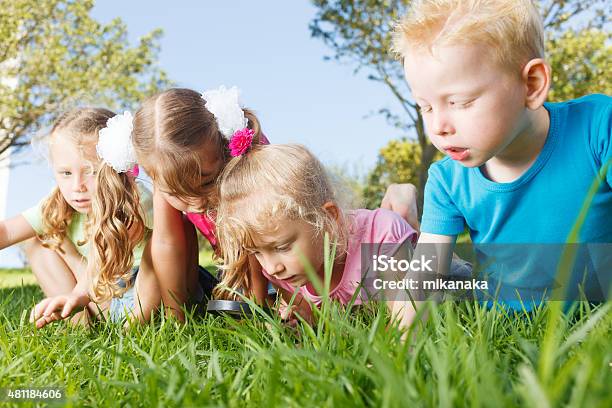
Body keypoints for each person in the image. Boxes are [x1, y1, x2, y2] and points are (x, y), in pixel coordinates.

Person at [390, 0, 611, 320]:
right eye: (425, 107)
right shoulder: (447, 181)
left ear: (532, 85)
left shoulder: (598, 128)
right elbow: (423, 278)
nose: (439, 126)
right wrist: (396, 351)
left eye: (460, 102)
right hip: (508, 329)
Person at [130, 86, 423, 319]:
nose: (193, 202)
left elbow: (268, 239)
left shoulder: (253, 164)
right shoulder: (167, 163)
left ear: (224, 153)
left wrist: (258, 306)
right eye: (175, 192)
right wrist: (176, 316)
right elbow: (169, 245)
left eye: (205, 183)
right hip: (252, 259)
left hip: (278, 255)